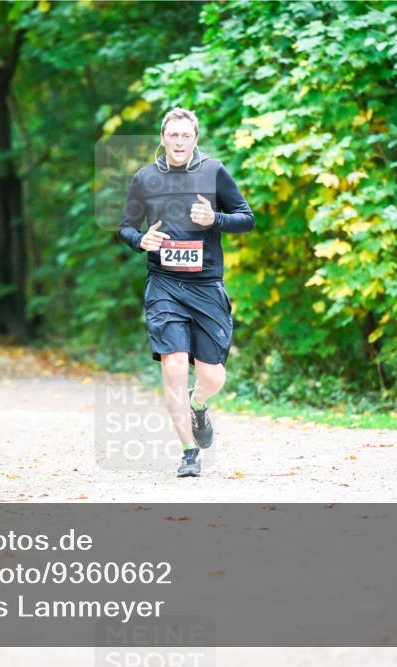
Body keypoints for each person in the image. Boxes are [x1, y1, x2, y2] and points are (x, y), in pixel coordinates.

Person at [118, 107, 255, 478]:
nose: (179, 142)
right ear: (162, 138)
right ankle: (189, 452)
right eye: (172, 135)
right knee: (174, 363)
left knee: (213, 378)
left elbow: (247, 217)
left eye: (186, 135)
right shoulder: (144, 179)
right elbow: (126, 228)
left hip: (206, 285)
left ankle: (199, 404)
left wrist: (217, 219)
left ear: (195, 138)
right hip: (163, 283)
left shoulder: (213, 172)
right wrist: (140, 240)